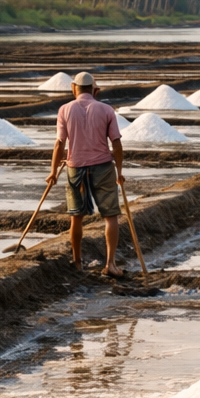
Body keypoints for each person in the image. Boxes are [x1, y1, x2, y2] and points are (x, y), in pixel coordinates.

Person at [47, 71, 126, 276]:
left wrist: (53, 172)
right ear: (95, 90)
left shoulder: (64, 110)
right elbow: (116, 144)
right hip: (103, 167)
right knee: (110, 216)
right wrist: (119, 171)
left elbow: (59, 144)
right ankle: (110, 264)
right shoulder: (106, 110)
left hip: (76, 168)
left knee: (77, 217)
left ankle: (77, 262)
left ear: (74, 88)